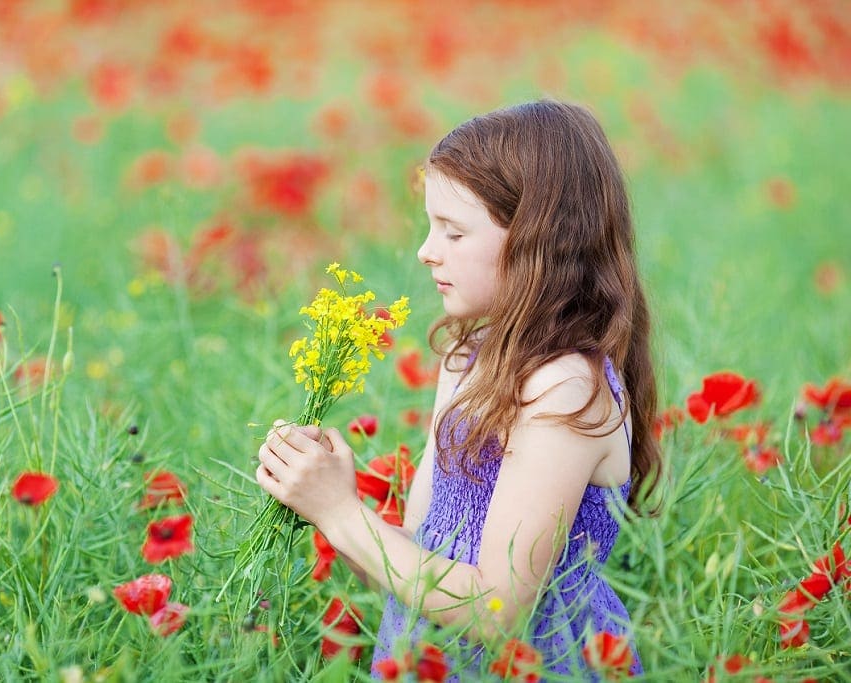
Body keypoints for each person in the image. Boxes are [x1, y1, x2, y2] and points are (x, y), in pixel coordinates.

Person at [255, 99, 660, 680]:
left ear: (535, 242)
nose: (426, 250)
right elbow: (413, 570)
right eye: (430, 226)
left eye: (453, 231)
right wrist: (326, 500)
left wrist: (342, 515)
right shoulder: (471, 361)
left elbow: (498, 612)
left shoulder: (564, 387)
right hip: (431, 663)